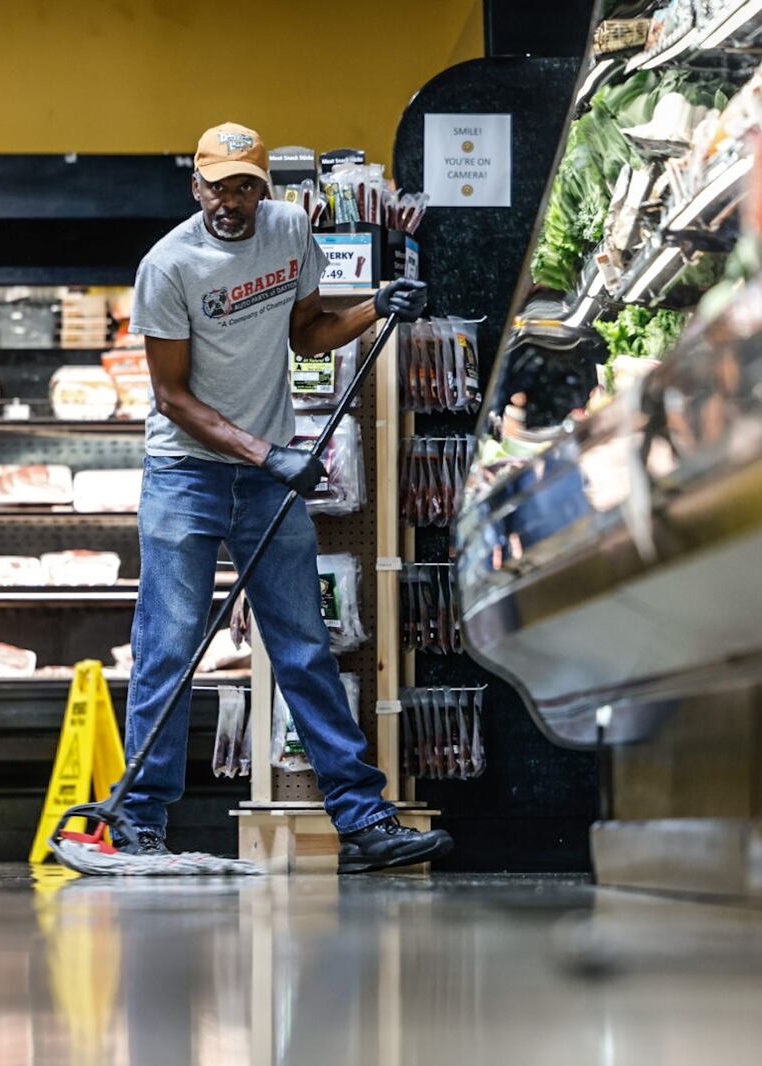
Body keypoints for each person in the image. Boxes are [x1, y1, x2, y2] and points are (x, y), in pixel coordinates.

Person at [122, 122, 453, 873]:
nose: (232, 201)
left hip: (266, 475)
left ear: (262, 187)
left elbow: (308, 335)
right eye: (218, 185)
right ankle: (140, 821)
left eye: (246, 185)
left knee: (307, 648)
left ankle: (364, 821)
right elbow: (172, 398)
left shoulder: (290, 231)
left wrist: (377, 306)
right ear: (195, 185)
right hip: (186, 473)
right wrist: (270, 453)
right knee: (169, 648)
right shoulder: (168, 265)